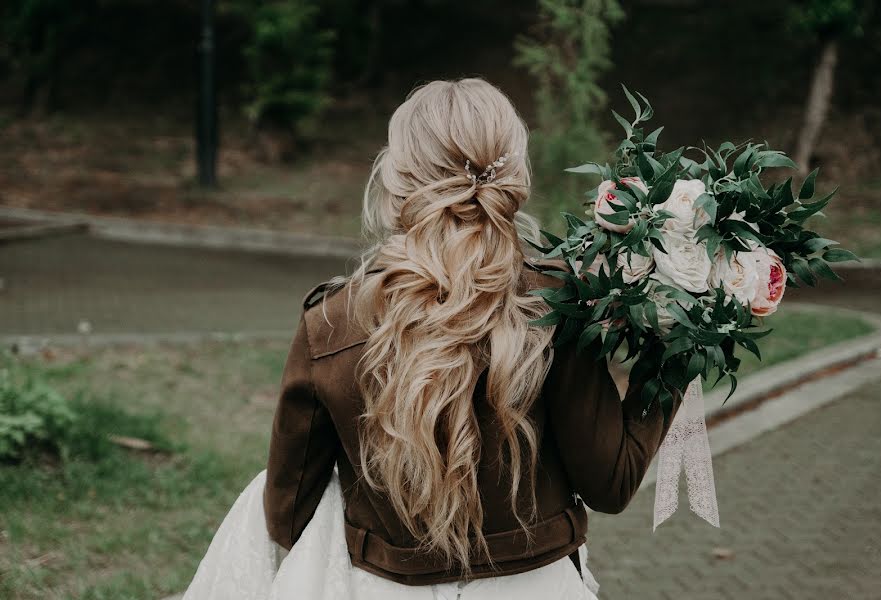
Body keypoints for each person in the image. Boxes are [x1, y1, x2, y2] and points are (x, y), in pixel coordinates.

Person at [182, 78, 683, 600]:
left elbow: (287, 517)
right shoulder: (560, 305)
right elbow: (612, 483)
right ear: (516, 176)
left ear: (396, 179)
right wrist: (677, 352)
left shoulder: (329, 324)